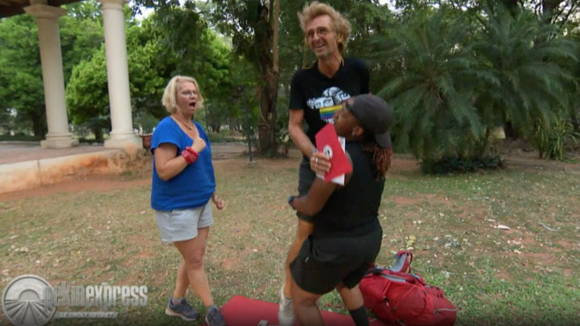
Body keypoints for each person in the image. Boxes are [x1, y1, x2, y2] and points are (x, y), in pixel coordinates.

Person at [280, 2, 370, 325]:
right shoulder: (302, 79)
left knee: (347, 230)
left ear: (339, 35)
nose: (316, 38)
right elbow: (294, 126)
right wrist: (312, 154)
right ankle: (289, 296)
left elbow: (368, 114)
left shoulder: (358, 70)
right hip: (318, 160)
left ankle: (350, 296)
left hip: (353, 161)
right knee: (306, 232)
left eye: (322, 31)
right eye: (310, 34)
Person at [288, 94, 393, 326]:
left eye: (343, 112)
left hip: (336, 247)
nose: (336, 113)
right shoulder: (376, 153)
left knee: (303, 300)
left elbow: (311, 205)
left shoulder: (340, 158)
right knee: (347, 281)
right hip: (368, 240)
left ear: (357, 131)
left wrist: (293, 200)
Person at [150, 75, 227, 326]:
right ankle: (212, 310)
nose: (192, 96)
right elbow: (164, 170)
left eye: (194, 92)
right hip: (177, 206)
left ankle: (175, 303)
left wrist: (212, 193)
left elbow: (204, 165)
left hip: (200, 202)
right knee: (194, 260)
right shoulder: (166, 128)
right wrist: (192, 151)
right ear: (174, 98)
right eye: (186, 92)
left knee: (193, 257)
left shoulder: (197, 128)